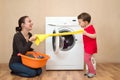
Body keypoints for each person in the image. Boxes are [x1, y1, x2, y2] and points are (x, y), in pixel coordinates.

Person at [77, 13, 97, 78]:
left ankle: (93, 72)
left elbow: (94, 36)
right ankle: (90, 72)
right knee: (87, 59)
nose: (79, 24)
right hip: (87, 46)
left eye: (80, 22)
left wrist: (86, 33)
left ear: (85, 22)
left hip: (90, 47)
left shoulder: (90, 27)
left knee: (86, 59)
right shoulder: (85, 28)